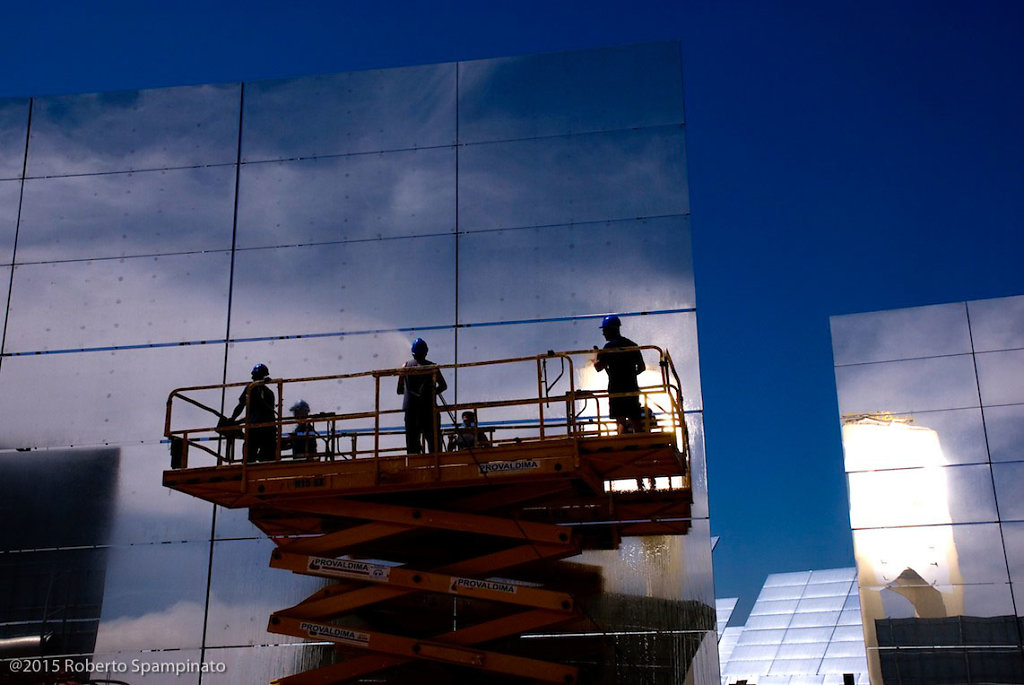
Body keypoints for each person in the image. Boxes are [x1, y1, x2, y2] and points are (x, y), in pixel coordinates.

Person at [594, 315, 645, 433]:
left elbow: (598, 367)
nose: (603, 333)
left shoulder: (608, 348)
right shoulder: (632, 345)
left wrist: (597, 355)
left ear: (611, 329)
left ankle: (624, 445)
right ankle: (642, 443)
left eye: (604, 330)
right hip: (631, 388)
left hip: (616, 389)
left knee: (621, 421)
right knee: (635, 419)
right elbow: (642, 367)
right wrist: (631, 375)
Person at [397, 338, 447, 454]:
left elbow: (399, 390)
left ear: (412, 352)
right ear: (426, 352)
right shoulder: (432, 367)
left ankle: (414, 463)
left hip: (411, 410)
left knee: (412, 441)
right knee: (433, 440)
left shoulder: (405, 366)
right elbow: (443, 386)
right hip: (429, 409)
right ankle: (436, 462)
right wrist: (431, 392)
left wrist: (411, 392)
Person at [230, 363, 277, 463]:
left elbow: (241, 405)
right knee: (263, 457)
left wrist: (233, 419)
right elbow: (242, 406)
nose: (252, 378)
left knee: (254, 457)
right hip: (265, 428)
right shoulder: (261, 391)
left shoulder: (252, 389)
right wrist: (234, 420)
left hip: (258, 428)